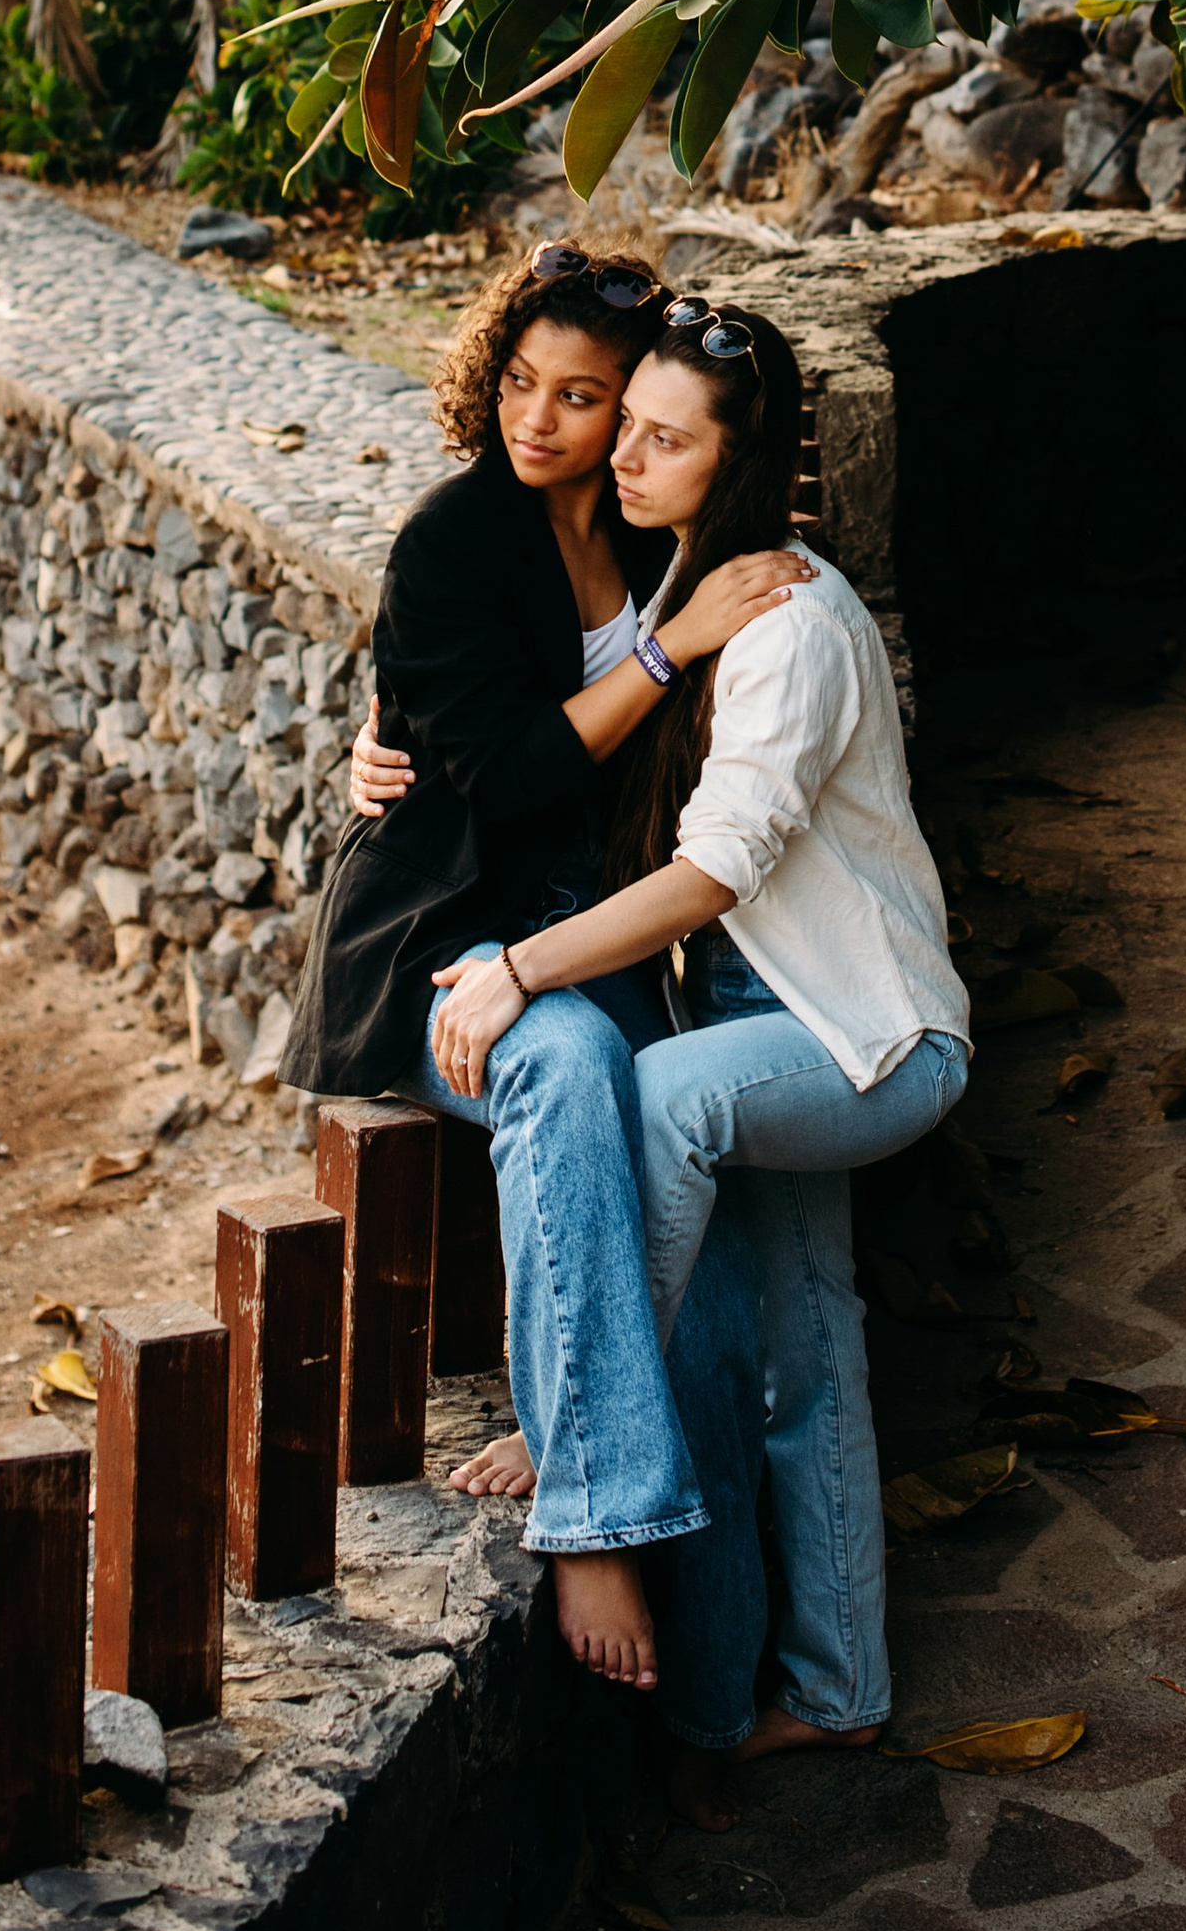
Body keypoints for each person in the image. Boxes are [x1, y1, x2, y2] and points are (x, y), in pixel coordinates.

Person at [399, 297, 972, 1819]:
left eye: (663, 438)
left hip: (864, 1041)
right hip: (768, 1030)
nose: (624, 456)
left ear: (737, 464)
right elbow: (515, 721)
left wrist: (517, 966)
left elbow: (716, 873)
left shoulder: (782, 619)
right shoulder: (678, 591)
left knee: (654, 1096)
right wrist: (388, 745)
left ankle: (577, 1415)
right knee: (807, 1356)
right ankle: (841, 1695)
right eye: (623, 425)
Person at [277, 240, 808, 1691]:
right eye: (521, 383)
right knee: (573, 1068)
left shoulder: (655, 533)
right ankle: (591, 1519)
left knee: (694, 1242)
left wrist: (685, 620)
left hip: (606, 933)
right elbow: (502, 782)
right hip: (449, 940)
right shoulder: (456, 543)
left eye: (585, 397)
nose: (542, 422)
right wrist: (664, 652)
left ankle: (713, 1705)